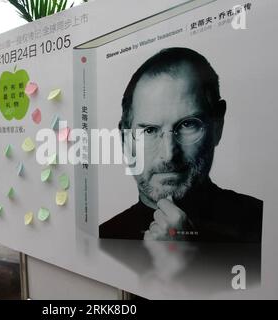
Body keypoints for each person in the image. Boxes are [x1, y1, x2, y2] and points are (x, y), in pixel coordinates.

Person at [99, 47, 263, 243]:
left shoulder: (261, 223)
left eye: (187, 125)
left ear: (218, 125)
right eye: (149, 130)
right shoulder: (103, 238)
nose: (169, 155)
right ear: (125, 139)